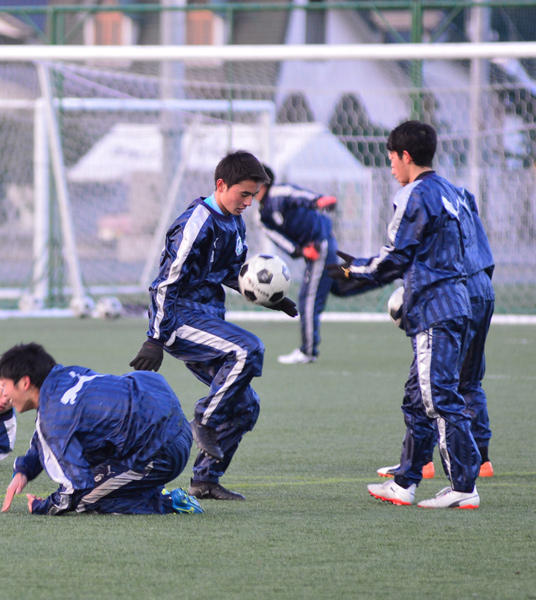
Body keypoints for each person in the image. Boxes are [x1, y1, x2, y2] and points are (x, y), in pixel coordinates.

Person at [328, 120, 481, 509]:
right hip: (457, 302)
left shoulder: (414, 194)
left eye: (391, 159)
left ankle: (464, 486)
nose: (391, 167)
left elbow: (394, 258)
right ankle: (405, 482)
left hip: (436, 307)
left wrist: (347, 273)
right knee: (417, 399)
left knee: (439, 398)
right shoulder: (453, 191)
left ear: (405, 156)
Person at [128, 151, 297, 502]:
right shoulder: (195, 224)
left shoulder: (235, 221)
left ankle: (205, 480)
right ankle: (203, 419)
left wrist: (272, 298)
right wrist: (154, 340)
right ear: (221, 185)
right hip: (178, 319)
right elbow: (163, 285)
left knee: (246, 405)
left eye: (253, 196)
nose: (248, 203)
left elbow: (231, 273)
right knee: (248, 349)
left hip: (207, 320)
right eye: (244, 194)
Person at [375, 163, 496, 481]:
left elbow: (415, 252)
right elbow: (478, 245)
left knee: (426, 384)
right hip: (482, 286)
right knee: (469, 381)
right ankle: (481, 460)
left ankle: (419, 463)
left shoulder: (422, 199)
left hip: (453, 292)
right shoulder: (461, 195)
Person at [0, 343, 203, 516]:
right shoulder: (67, 376)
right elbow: (48, 434)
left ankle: (168, 502)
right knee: (94, 450)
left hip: (159, 452)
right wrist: (24, 470)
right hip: (172, 420)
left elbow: (74, 489)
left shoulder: (53, 418)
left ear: (24, 382)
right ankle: (143, 484)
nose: (5, 395)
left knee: (86, 501)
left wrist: (42, 507)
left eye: (5, 386)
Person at [256, 165, 340, 364]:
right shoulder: (262, 216)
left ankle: (308, 351)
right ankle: (376, 276)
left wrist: (317, 200)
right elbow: (280, 240)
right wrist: (301, 251)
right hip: (312, 250)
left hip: (321, 244)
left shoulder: (278, 192)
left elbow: (297, 195)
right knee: (338, 287)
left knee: (308, 299)